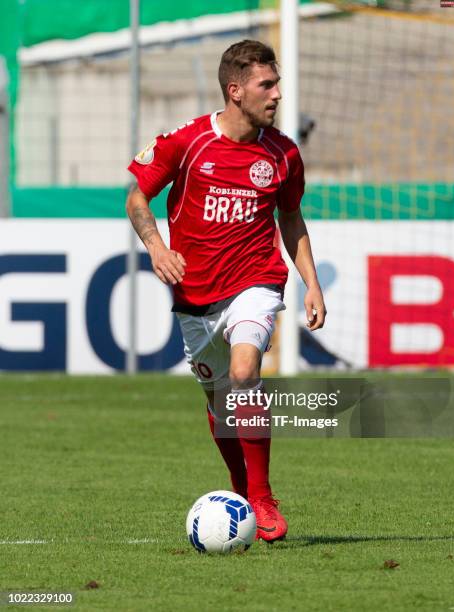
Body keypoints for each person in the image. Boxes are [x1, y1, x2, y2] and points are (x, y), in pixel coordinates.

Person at [126, 39, 326, 542]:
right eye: (267, 84)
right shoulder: (187, 142)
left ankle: (261, 495)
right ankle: (240, 484)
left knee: (244, 372)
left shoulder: (283, 154)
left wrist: (311, 284)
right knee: (220, 402)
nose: (277, 94)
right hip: (194, 296)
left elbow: (291, 217)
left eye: (276, 83)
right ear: (235, 91)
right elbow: (137, 198)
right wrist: (155, 247)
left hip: (254, 281)